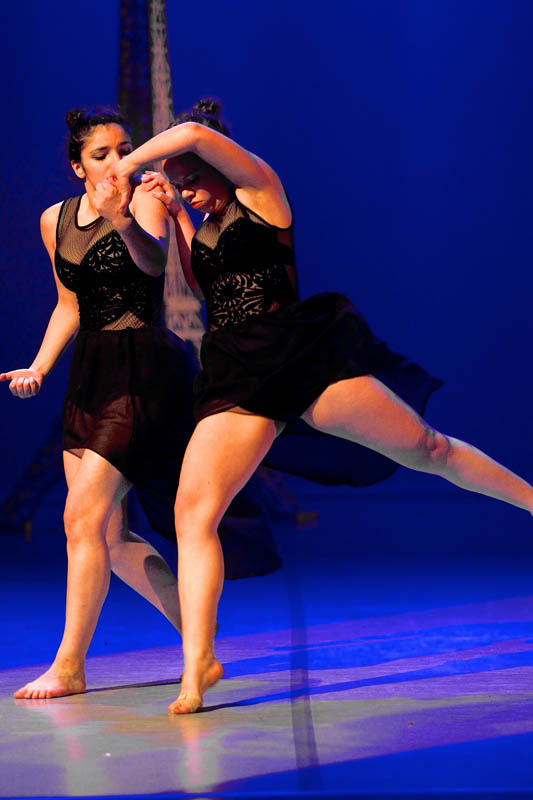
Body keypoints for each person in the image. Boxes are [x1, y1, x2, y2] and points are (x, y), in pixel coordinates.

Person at [112, 98, 533, 715]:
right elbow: (207, 286)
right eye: (181, 186)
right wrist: (175, 214)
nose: (189, 192)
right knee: (192, 514)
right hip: (237, 376)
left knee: (428, 449)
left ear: (222, 164)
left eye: (193, 179)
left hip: (299, 358)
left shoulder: (263, 190)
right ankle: (197, 663)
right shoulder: (200, 222)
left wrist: (126, 166)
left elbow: (195, 132)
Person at [1, 107, 280, 701]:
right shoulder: (54, 219)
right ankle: (199, 641)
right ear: (77, 166)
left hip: (141, 370)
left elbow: (154, 265)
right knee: (109, 537)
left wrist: (120, 218)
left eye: (125, 148)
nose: (117, 161)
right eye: (101, 154)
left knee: (78, 519)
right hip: (90, 375)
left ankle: (69, 666)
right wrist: (39, 367)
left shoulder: (144, 199)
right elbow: (69, 304)